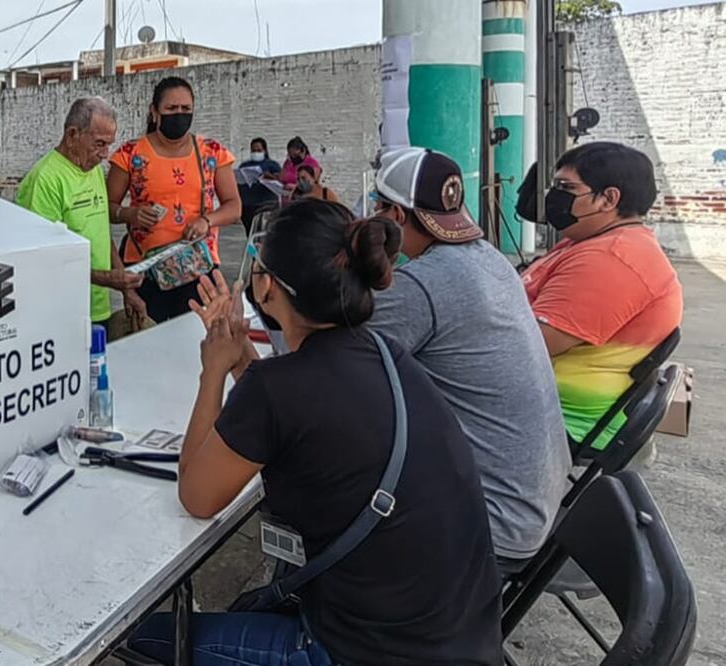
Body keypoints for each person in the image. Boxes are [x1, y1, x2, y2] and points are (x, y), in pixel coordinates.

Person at [128, 200, 503, 665]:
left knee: (144, 636)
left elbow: (196, 495)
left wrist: (213, 369)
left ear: (269, 289)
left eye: (257, 268)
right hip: (458, 635)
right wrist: (242, 355)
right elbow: (289, 419)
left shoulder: (278, 389)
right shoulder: (386, 354)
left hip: (365, 652)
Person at [367, 146, 569, 570]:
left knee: (329, 478)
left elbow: (331, 366)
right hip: (535, 500)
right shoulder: (489, 259)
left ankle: (309, 614)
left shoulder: (422, 284)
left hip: (493, 526)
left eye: (377, 207)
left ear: (396, 217)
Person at [521, 142, 683, 451]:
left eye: (566, 187)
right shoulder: (587, 241)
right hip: (544, 400)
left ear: (608, 199)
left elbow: (528, 346)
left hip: (555, 418)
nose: (553, 197)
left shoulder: (611, 260)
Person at [106, 76, 242, 323]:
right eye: (171, 108)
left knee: (198, 345)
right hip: (146, 270)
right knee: (148, 343)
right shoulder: (130, 154)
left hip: (197, 268)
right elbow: (106, 207)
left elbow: (234, 206)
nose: (179, 115)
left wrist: (206, 221)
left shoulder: (213, 153)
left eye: (185, 109)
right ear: (154, 111)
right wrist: (129, 214)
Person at [16, 98, 147, 333]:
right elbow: (44, 261)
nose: (105, 154)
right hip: (60, 314)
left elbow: (100, 233)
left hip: (96, 307)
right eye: (99, 144)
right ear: (72, 135)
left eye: (109, 145)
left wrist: (126, 288)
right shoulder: (44, 181)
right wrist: (108, 279)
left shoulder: (92, 169)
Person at [237, 137, 282, 232]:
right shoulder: (244, 166)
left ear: (264, 150)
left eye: (259, 150)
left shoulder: (272, 165)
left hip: (266, 204)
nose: (256, 153)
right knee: (250, 231)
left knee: (264, 231)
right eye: (253, 150)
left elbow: (281, 182)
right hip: (247, 205)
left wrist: (269, 177)